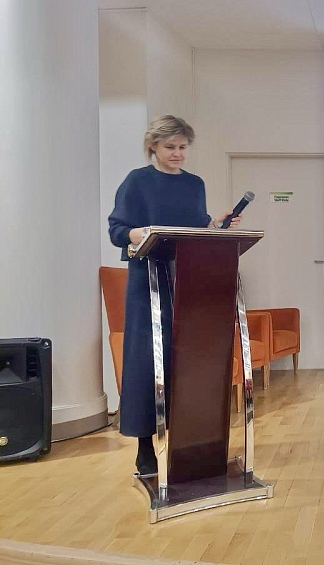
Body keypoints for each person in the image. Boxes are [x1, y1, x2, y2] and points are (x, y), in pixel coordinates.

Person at [108, 115, 241, 475]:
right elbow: (117, 230)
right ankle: (144, 448)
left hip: (188, 280)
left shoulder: (195, 185)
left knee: (187, 359)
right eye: (170, 147)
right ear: (153, 146)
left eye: (183, 147)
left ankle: (189, 442)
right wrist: (140, 233)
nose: (178, 153)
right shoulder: (137, 181)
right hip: (147, 281)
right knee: (147, 361)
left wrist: (216, 225)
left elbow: (196, 228)